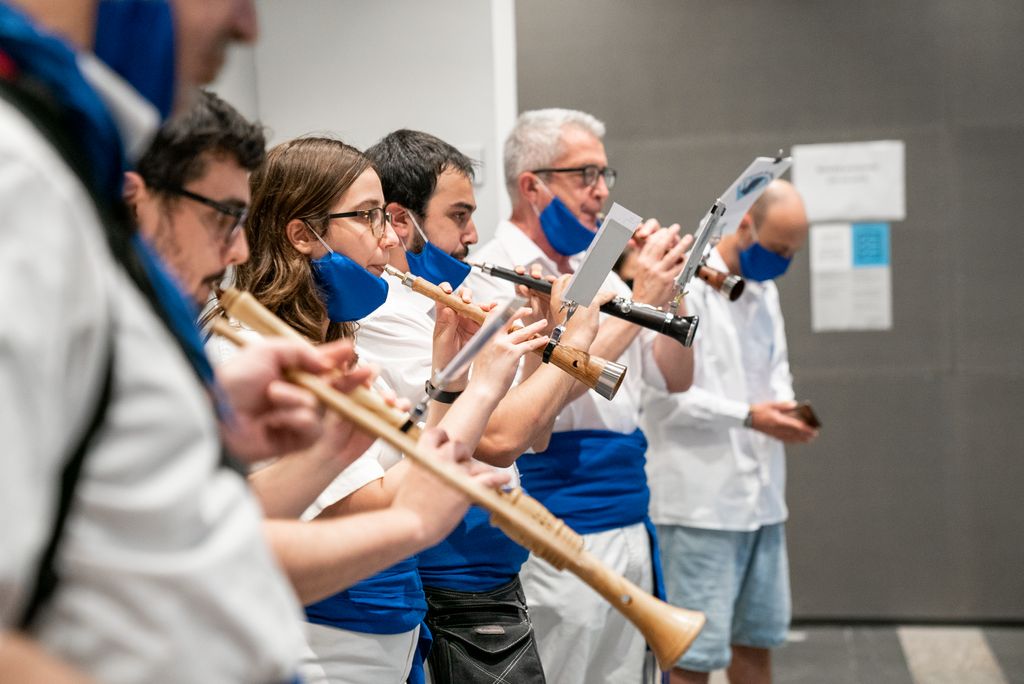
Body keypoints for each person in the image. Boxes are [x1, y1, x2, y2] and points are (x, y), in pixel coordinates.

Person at [0, 2, 487, 681]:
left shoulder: (54, 156)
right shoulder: (22, 173)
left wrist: (213, 430)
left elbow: (130, 518)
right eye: (226, 214)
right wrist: (424, 494)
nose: (250, 27)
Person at [218, 134, 544, 683]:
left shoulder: (328, 342)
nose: (391, 238)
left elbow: (410, 469)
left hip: (391, 624)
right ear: (301, 234)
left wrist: (449, 380)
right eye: (370, 216)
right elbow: (383, 505)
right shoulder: (254, 351)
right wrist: (485, 388)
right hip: (326, 637)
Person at [360, 128, 610, 683]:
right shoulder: (386, 316)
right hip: (451, 581)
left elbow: (534, 435)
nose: (473, 234)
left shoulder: (445, 302)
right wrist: (571, 342)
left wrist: (543, 340)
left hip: (494, 574)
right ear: (402, 221)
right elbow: (497, 442)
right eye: (459, 216)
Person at [464, 108, 695, 684]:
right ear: (531, 186)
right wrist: (640, 303)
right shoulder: (492, 274)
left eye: (605, 175)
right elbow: (531, 409)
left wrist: (670, 296)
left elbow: (675, 377)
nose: (601, 193)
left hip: (627, 512)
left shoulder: (604, 272)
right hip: (559, 521)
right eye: (584, 176)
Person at [640, 179, 819, 684]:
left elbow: (776, 372)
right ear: (744, 224)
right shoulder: (683, 285)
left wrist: (783, 413)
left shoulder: (764, 290)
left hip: (761, 501)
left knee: (756, 643)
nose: (782, 260)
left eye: (791, 252)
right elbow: (665, 397)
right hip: (700, 506)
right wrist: (748, 415)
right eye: (777, 248)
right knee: (693, 659)